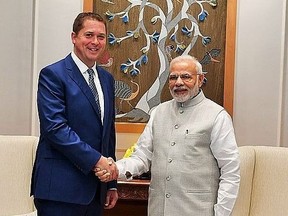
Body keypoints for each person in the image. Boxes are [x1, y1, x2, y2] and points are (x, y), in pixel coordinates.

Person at [96, 55, 240, 216]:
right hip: (159, 209)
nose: (178, 82)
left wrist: (221, 213)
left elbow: (230, 171)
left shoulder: (217, 116)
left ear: (200, 80)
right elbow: (142, 157)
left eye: (186, 76)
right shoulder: (158, 112)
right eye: (173, 77)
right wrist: (116, 168)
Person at [31, 12, 118, 216]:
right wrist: (98, 161)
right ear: (74, 37)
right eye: (88, 35)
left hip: (96, 191)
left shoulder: (107, 80)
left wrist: (111, 183)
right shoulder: (53, 74)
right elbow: (55, 129)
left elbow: (108, 133)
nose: (95, 42)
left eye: (101, 37)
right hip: (60, 192)